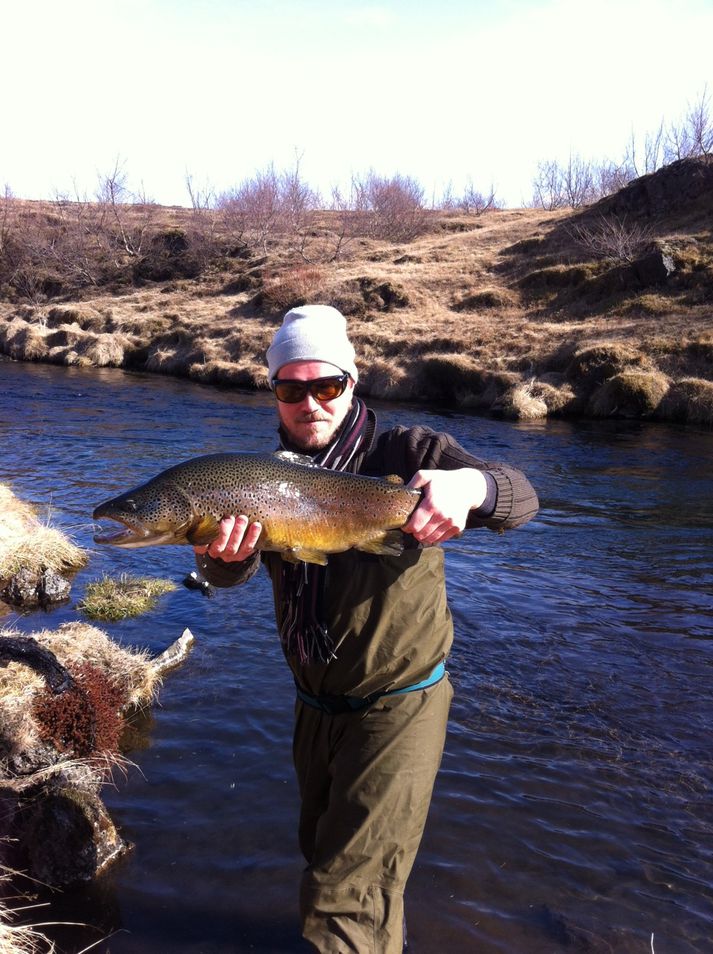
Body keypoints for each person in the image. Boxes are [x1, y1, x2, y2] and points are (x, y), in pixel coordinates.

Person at [194, 305, 538, 954]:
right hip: (313, 707)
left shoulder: (409, 453)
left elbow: (520, 497)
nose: (309, 403)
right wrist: (219, 560)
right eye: (290, 388)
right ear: (273, 393)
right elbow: (224, 580)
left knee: (340, 907)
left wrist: (468, 489)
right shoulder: (262, 478)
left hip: (397, 707)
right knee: (336, 864)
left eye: (324, 386)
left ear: (351, 383)